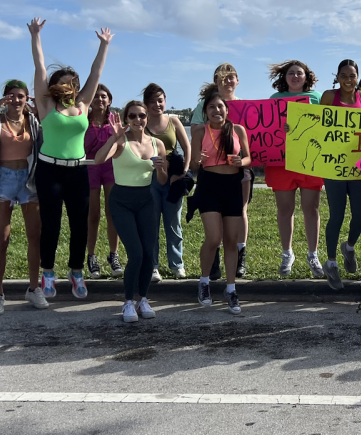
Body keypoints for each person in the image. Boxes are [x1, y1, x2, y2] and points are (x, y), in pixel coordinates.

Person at [28, 18, 112, 300]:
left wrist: (104, 45)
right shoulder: (45, 104)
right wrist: (36, 36)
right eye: (63, 83)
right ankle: (48, 272)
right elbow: (40, 67)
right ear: (54, 87)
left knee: (80, 222)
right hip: (49, 170)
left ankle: (76, 272)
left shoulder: (82, 105)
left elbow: (95, 73)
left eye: (72, 84)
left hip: (77, 171)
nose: (69, 87)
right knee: (51, 224)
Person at [93, 100, 167, 323]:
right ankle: (127, 302)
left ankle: (142, 298)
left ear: (147, 118)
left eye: (142, 116)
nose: (138, 120)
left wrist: (162, 169)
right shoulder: (121, 142)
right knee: (135, 253)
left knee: (147, 253)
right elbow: (98, 160)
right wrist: (114, 138)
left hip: (146, 201)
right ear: (126, 119)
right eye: (133, 116)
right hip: (121, 202)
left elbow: (162, 181)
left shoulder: (157, 144)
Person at [0, 80, 46, 314]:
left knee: (35, 236)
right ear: (5, 98)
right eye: (12, 96)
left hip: (28, 180)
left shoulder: (33, 121)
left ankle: (34, 288)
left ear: (27, 98)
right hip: (3, 179)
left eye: (21, 96)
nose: (17, 100)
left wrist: (42, 114)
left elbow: (46, 146)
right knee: (2, 238)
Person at [188, 85, 251, 314]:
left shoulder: (237, 130)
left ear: (227, 110)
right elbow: (194, 165)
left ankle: (231, 289)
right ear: (206, 112)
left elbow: (249, 158)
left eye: (220, 106)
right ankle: (204, 282)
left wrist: (240, 163)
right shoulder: (199, 132)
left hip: (233, 186)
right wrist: (197, 159)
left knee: (231, 241)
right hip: (209, 185)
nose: (217, 110)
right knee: (213, 238)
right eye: (212, 107)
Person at [268, 59, 325, 279]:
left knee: (311, 209)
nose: (295, 77)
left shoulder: (317, 98)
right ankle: (287, 253)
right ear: (284, 77)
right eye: (291, 73)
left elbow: (327, 125)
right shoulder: (274, 100)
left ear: (306, 77)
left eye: (299, 73)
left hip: (310, 158)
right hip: (281, 161)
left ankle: (313, 254)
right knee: (285, 209)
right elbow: (267, 128)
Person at [320, 59, 361, 290]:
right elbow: (316, 124)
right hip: (334, 166)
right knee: (337, 216)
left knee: (360, 216)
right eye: (344, 75)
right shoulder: (329, 97)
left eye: (352, 76)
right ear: (337, 77)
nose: (348, 80)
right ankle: (331, 263)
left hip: (359, 166)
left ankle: (349, 247)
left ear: (358, 77)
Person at [143, 83, 193, 281]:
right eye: (153, 101)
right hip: (149, 179)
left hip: (173, 178)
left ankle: (177, 264)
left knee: (174, 224)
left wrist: (184, 172)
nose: (158, 104)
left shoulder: (173, 121)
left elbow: (187, 148)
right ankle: (153, 266)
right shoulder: (142, 123)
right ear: (146, 104)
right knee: (151, 224)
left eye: (161, 100)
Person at [85, 85, 123, 280]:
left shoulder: (114, 120)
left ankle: (113, 255)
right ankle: (91, 257)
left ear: (109, 100)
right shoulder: (84, 119)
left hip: (110, 168)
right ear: (90, 100)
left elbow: (121, 144)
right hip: (89, 167)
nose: (100, 99)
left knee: (112, 213)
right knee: (93, 214)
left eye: (103, 96)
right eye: (96, 96)